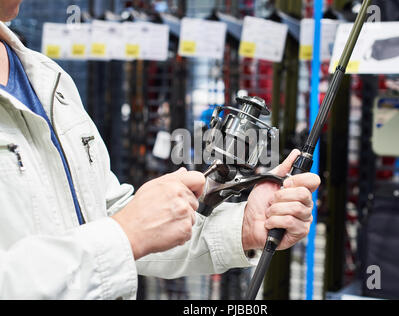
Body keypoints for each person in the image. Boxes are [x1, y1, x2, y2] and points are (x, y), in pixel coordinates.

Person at [0, 0, 320, 300]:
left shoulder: (48, 78)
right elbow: (120, 232)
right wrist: (124, 234)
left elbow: (107, 216)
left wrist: (242, 228)